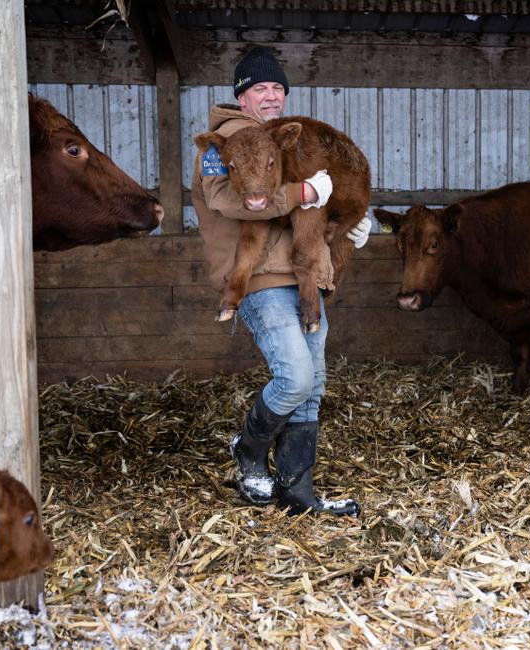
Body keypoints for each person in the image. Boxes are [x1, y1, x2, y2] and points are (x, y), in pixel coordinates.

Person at [191, 46, 370, 517]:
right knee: (295, 376)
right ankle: (249, 452)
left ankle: (298, 492)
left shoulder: (281, 140)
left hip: (303, 275)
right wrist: (309, 191)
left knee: (313, 385)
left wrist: (343, 222)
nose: (270, 97)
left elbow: (316, 205)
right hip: (260, 278)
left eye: (276, 88)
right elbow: (226, 201)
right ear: (240, 95)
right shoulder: (222, 143)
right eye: (259, 88)